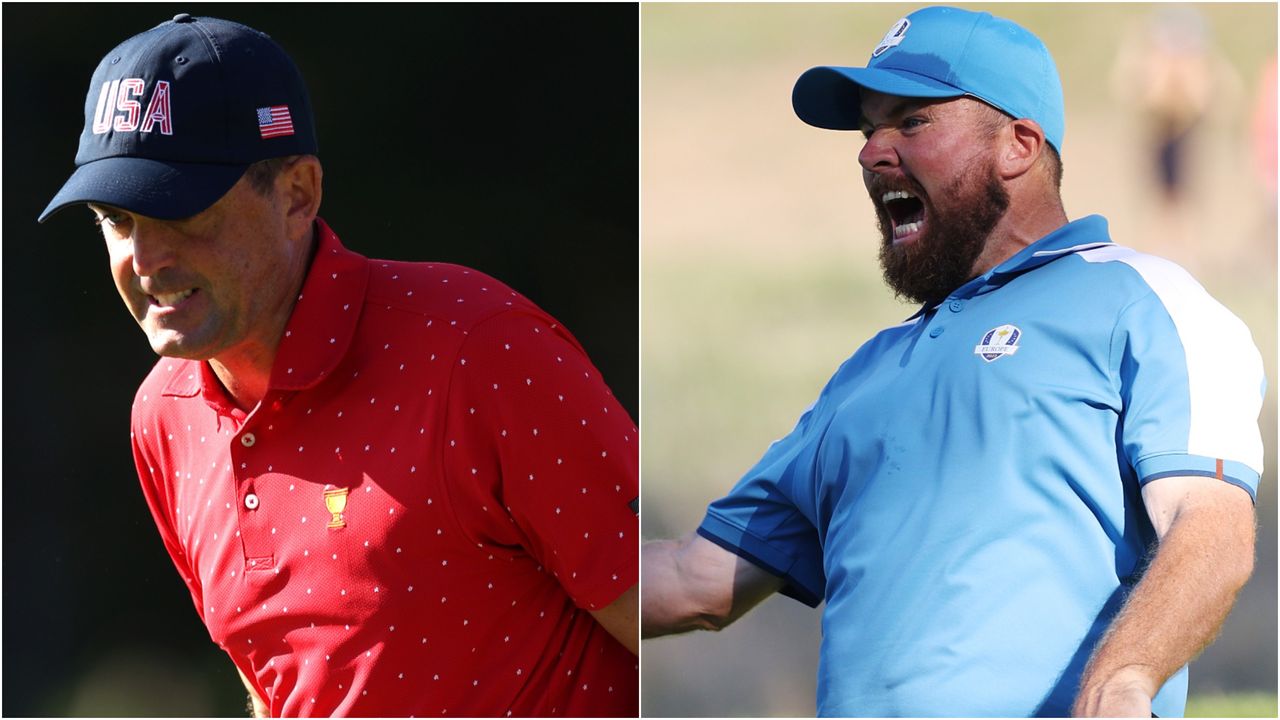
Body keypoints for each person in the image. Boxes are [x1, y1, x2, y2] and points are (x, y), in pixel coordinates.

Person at [641, 6, 1263, 718]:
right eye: (870, 128)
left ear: (1019, 145)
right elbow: (695, 581)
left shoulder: (1145, 300)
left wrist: (1122, 679)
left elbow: (1212, 528)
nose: (871, 152)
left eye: (910, 122)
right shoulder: (865, 375)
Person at [39, 14, 638, 718]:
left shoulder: (479, 347)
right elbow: (274, 680)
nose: (143, 260)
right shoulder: (162, 415)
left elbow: (662, 629)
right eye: (117, 220)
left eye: (179, 212)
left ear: (297, 193)